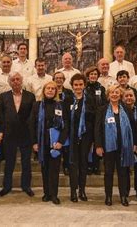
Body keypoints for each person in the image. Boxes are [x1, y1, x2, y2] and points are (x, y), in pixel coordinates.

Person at [95, 85, 137, 206]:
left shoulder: (126, 109)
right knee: (108, 172)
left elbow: (134, 129)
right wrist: (98, 145)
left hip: (124, 146)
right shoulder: (102, 110)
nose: (114, 95)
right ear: (108, 95)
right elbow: (97, 129)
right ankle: (108, 196)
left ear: (120, 95)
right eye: (112, 93)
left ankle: (123, 196)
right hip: (108, 147)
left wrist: (135, 144)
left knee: (123, 172)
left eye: (116, 93)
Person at [0, 72, 36, 197]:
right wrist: (2, 131)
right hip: (9, 134)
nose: (15, 81)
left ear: (22, 81)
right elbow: (0, 115)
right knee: (9, 162)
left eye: (18, 79)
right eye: (13, 80)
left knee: (26, 162)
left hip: (25, 134)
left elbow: (32, 116)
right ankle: (7, 187)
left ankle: (26, 186)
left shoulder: (30, 96)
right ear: (9, 82)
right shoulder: (4, 96)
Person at [30, 81, 69, 205]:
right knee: (44, 169)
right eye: (48, 88)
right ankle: (46, 193)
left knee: (54, 169)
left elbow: (66, 126)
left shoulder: (61, 105)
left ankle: (54, 195)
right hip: (42, 142)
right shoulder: (36, 105)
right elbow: (31, 126)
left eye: (53, 89)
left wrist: (61, 142)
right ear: (44, 91)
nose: (50, 90)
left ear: (56, 92)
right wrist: (34, 143)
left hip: (56, 143)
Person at [67, 73, 95, 202]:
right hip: (71, 136)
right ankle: (73, 191)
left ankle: (82, 190)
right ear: (72, 86)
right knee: (73, 164)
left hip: (86, 136)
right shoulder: (68, 99)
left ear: (84, 85)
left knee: (83, 164)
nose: (78, 87)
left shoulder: (90, 99)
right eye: (76, 85)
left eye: (80, 84)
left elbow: (95, 119)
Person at [122, 87, 137, 199]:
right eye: (126, 96)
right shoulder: (120, 110)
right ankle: (125, 190)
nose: (129, 98)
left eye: (131, 95)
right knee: (125, 168)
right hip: (125, 143)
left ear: (135, 97)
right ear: (123, 98)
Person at [84, 66, 106, 175]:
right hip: (88, 119)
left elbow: (104, 103)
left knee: (98, 142)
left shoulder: (101, 88)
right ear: (88, 76)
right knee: (88, 143)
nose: (93, 76)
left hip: (99, 119)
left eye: (95, 74)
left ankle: (96, 165)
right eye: (91, 74)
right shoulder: (84, 88)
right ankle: (88, 165)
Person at [53, 71, 73, 175]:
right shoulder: (51, 90)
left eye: (61, 78)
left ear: (64, 80)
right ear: (54, 79)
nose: (59, 80)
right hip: (54, 122)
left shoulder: (69, 92)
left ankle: (66, 166)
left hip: (66, 120)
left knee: (66, 145)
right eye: (57, 78)